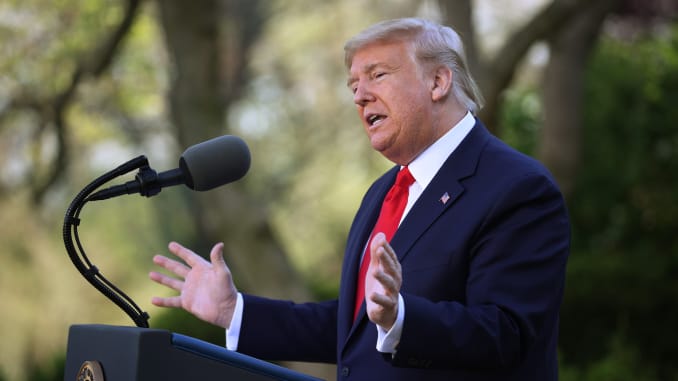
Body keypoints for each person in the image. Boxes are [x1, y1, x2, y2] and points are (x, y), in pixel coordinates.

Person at [149, 17, 570, 380]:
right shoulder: (383, 193)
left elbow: (506, 334)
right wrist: (235, 311)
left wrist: (401, 318)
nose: (358, 94)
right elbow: (356, 325)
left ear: (438, 81)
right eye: (353, 83)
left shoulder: (517, 187)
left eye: (377, 75)